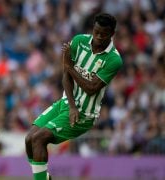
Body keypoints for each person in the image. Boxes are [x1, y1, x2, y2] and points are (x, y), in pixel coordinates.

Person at [25, 13, 122, 180]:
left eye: (103, 33)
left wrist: (69, 66)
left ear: (112, 34)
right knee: (29, 140)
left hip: (84, 114)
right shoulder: (79, 41)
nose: (98, 36)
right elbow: (66, 76)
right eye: (96, 31)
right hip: (67, 104)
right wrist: (71, 105)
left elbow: (91, 88)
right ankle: (43, 177)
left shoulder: (113, 59)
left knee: (39, 139)